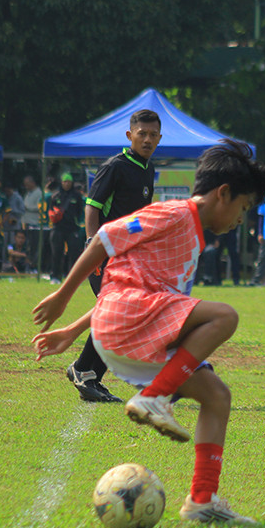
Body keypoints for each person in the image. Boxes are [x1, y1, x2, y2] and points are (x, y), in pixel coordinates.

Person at [31, 139, 265, 524]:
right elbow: (105, 237)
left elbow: (129, 288)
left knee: (217, 396)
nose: (241, 219)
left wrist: (74, 330)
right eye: (243, 208)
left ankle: (201, 501)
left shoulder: (192, 235)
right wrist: (63, 295)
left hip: (127, 325)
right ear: (223, 194)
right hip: (126, 320)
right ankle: (155, 397)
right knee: (224, 317)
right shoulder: (176, 214)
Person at [67, 108, 162, 403]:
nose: (146, 139)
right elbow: (92, 207)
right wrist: (92, 246)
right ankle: (83, 370)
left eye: (152, 135)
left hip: (129, 255)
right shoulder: (115, 166)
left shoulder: (147, 168)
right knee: (116, 313)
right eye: (141, 134)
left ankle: (88, 374)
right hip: (105, 252)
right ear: (129, 135)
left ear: (159, 138)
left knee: (124, 316)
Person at [47, 172, 84, 283]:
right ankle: (55, 277)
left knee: (74, 253)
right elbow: (49, 210)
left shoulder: (76, 196)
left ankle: (72, 278)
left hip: (72, 228)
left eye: (68, 181)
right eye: (64, 181)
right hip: (58, 228)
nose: (66, 184)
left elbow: (79, 212)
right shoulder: (55, 196)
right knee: (56, 253)